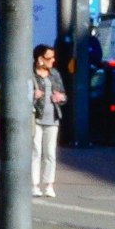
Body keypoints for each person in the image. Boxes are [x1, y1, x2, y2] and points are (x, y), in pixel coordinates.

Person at [32, 44, 67, 196]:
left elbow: (63, 95)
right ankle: (34, 184)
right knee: (35, 151)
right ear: (40, 59)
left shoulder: (55, 74)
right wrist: (32, 95)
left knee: (50, 153)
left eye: (53, 57)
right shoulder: (30, 74)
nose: (53, 60)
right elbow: (21, 95)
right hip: (35, 118)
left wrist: (61, 98)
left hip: (52, 118)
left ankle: (49, 184)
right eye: (49, 58)